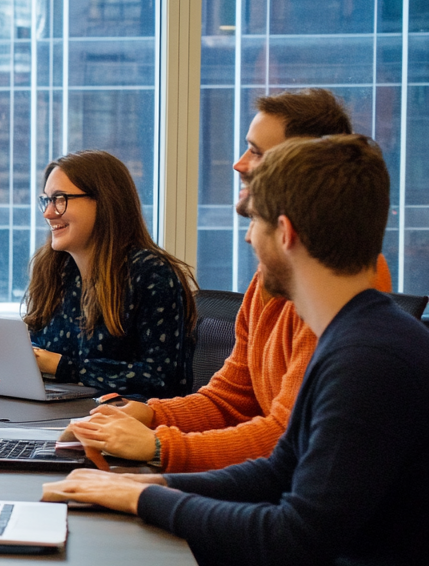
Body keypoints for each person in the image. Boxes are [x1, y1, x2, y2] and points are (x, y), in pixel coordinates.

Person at [33, 135, 429, 566]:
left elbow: (291, 538)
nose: (248, 239)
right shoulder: (352, 335)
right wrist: (154, 483)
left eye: (254, 225)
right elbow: (276, 473)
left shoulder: (369, 360)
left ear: (286, 234)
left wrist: (147, 497)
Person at [66, 88, 393, 470]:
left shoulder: (335, 282)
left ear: (303, 162)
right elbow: (230, 400)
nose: (239, 164)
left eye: (255, 151)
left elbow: (286, 437)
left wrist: (158, 447)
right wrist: (147, 415)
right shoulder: (271, 278)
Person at [24, 150, 197, 400]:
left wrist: (63, 367)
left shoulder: (151, 273)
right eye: (46, 200)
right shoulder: (54, 269)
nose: (48, 213)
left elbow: (162, 380)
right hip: (60, 412)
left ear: (104, 201)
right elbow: (40, 352)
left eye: (60, 199)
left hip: (125, 426)